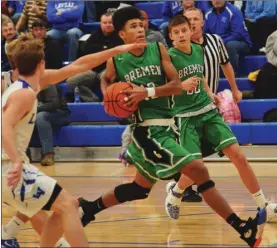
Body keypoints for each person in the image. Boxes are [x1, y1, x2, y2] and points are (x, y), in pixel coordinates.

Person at [78, 7, 267, 248]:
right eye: (133, 27)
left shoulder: (158, 50)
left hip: (166, 127)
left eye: (140, 25)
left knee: (138, 189)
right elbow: (105, 78)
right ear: (122, 34)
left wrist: (145, 92)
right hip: (147, 130)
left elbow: (177, 84)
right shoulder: (116, 58)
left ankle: (89, 208)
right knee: (198, 169)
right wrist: (108, 97)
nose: (139, 30)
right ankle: (242, 228)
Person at [2, 33, 148, 247]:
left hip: (11, 164)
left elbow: (79, 65)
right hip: (7, 166)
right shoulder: (24, 94)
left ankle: (12, 235)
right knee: (68, 205)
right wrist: (15, 160)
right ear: (42, 63)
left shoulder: (27, 84)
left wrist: (118, 50)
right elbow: (3, 125)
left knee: (60, 207)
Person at [163, 15, 276, 225]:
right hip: (186, 118)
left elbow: (201, 75)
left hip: (208, 111)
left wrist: (208, 92)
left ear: (191, 31)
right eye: (176, 32)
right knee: (196, 168)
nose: (181, 35)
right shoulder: (169, 58)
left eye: (183, 30)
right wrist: (181, 85)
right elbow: (164, 88)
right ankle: (176, 192)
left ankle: (263, 206)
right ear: (171, 37)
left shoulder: (198, 50)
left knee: (239, 157)